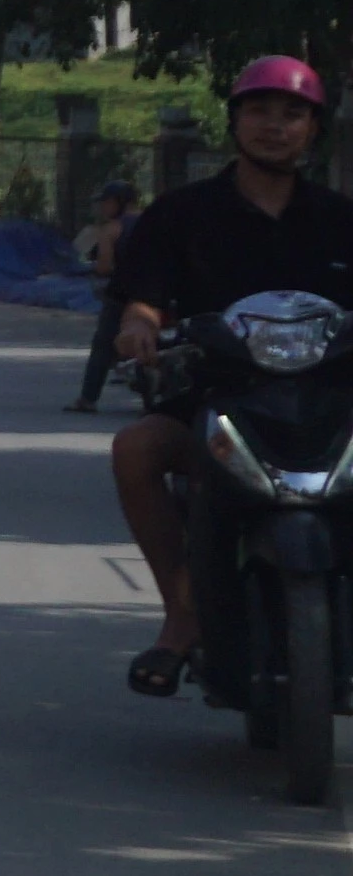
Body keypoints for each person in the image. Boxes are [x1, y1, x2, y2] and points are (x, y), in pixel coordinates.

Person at [100, 58, 353, 698]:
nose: (275, 127)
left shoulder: (339, 218)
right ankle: (181, 616)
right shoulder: (182, 214)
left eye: (292, 114)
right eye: (260, 111)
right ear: (235, 122)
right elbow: (143, 297)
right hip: (215, 401)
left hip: (330, 407)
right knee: (136, 448)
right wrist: (139, 327)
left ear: (313, 129)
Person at [70, 180, 146, 413]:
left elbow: (104, 267)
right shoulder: (156, 220)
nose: (103, 208)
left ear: (117, 203)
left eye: (106, 203)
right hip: (158, 295)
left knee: (103, 344)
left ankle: (88, 398)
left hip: (123, 295)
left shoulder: (112, 229)